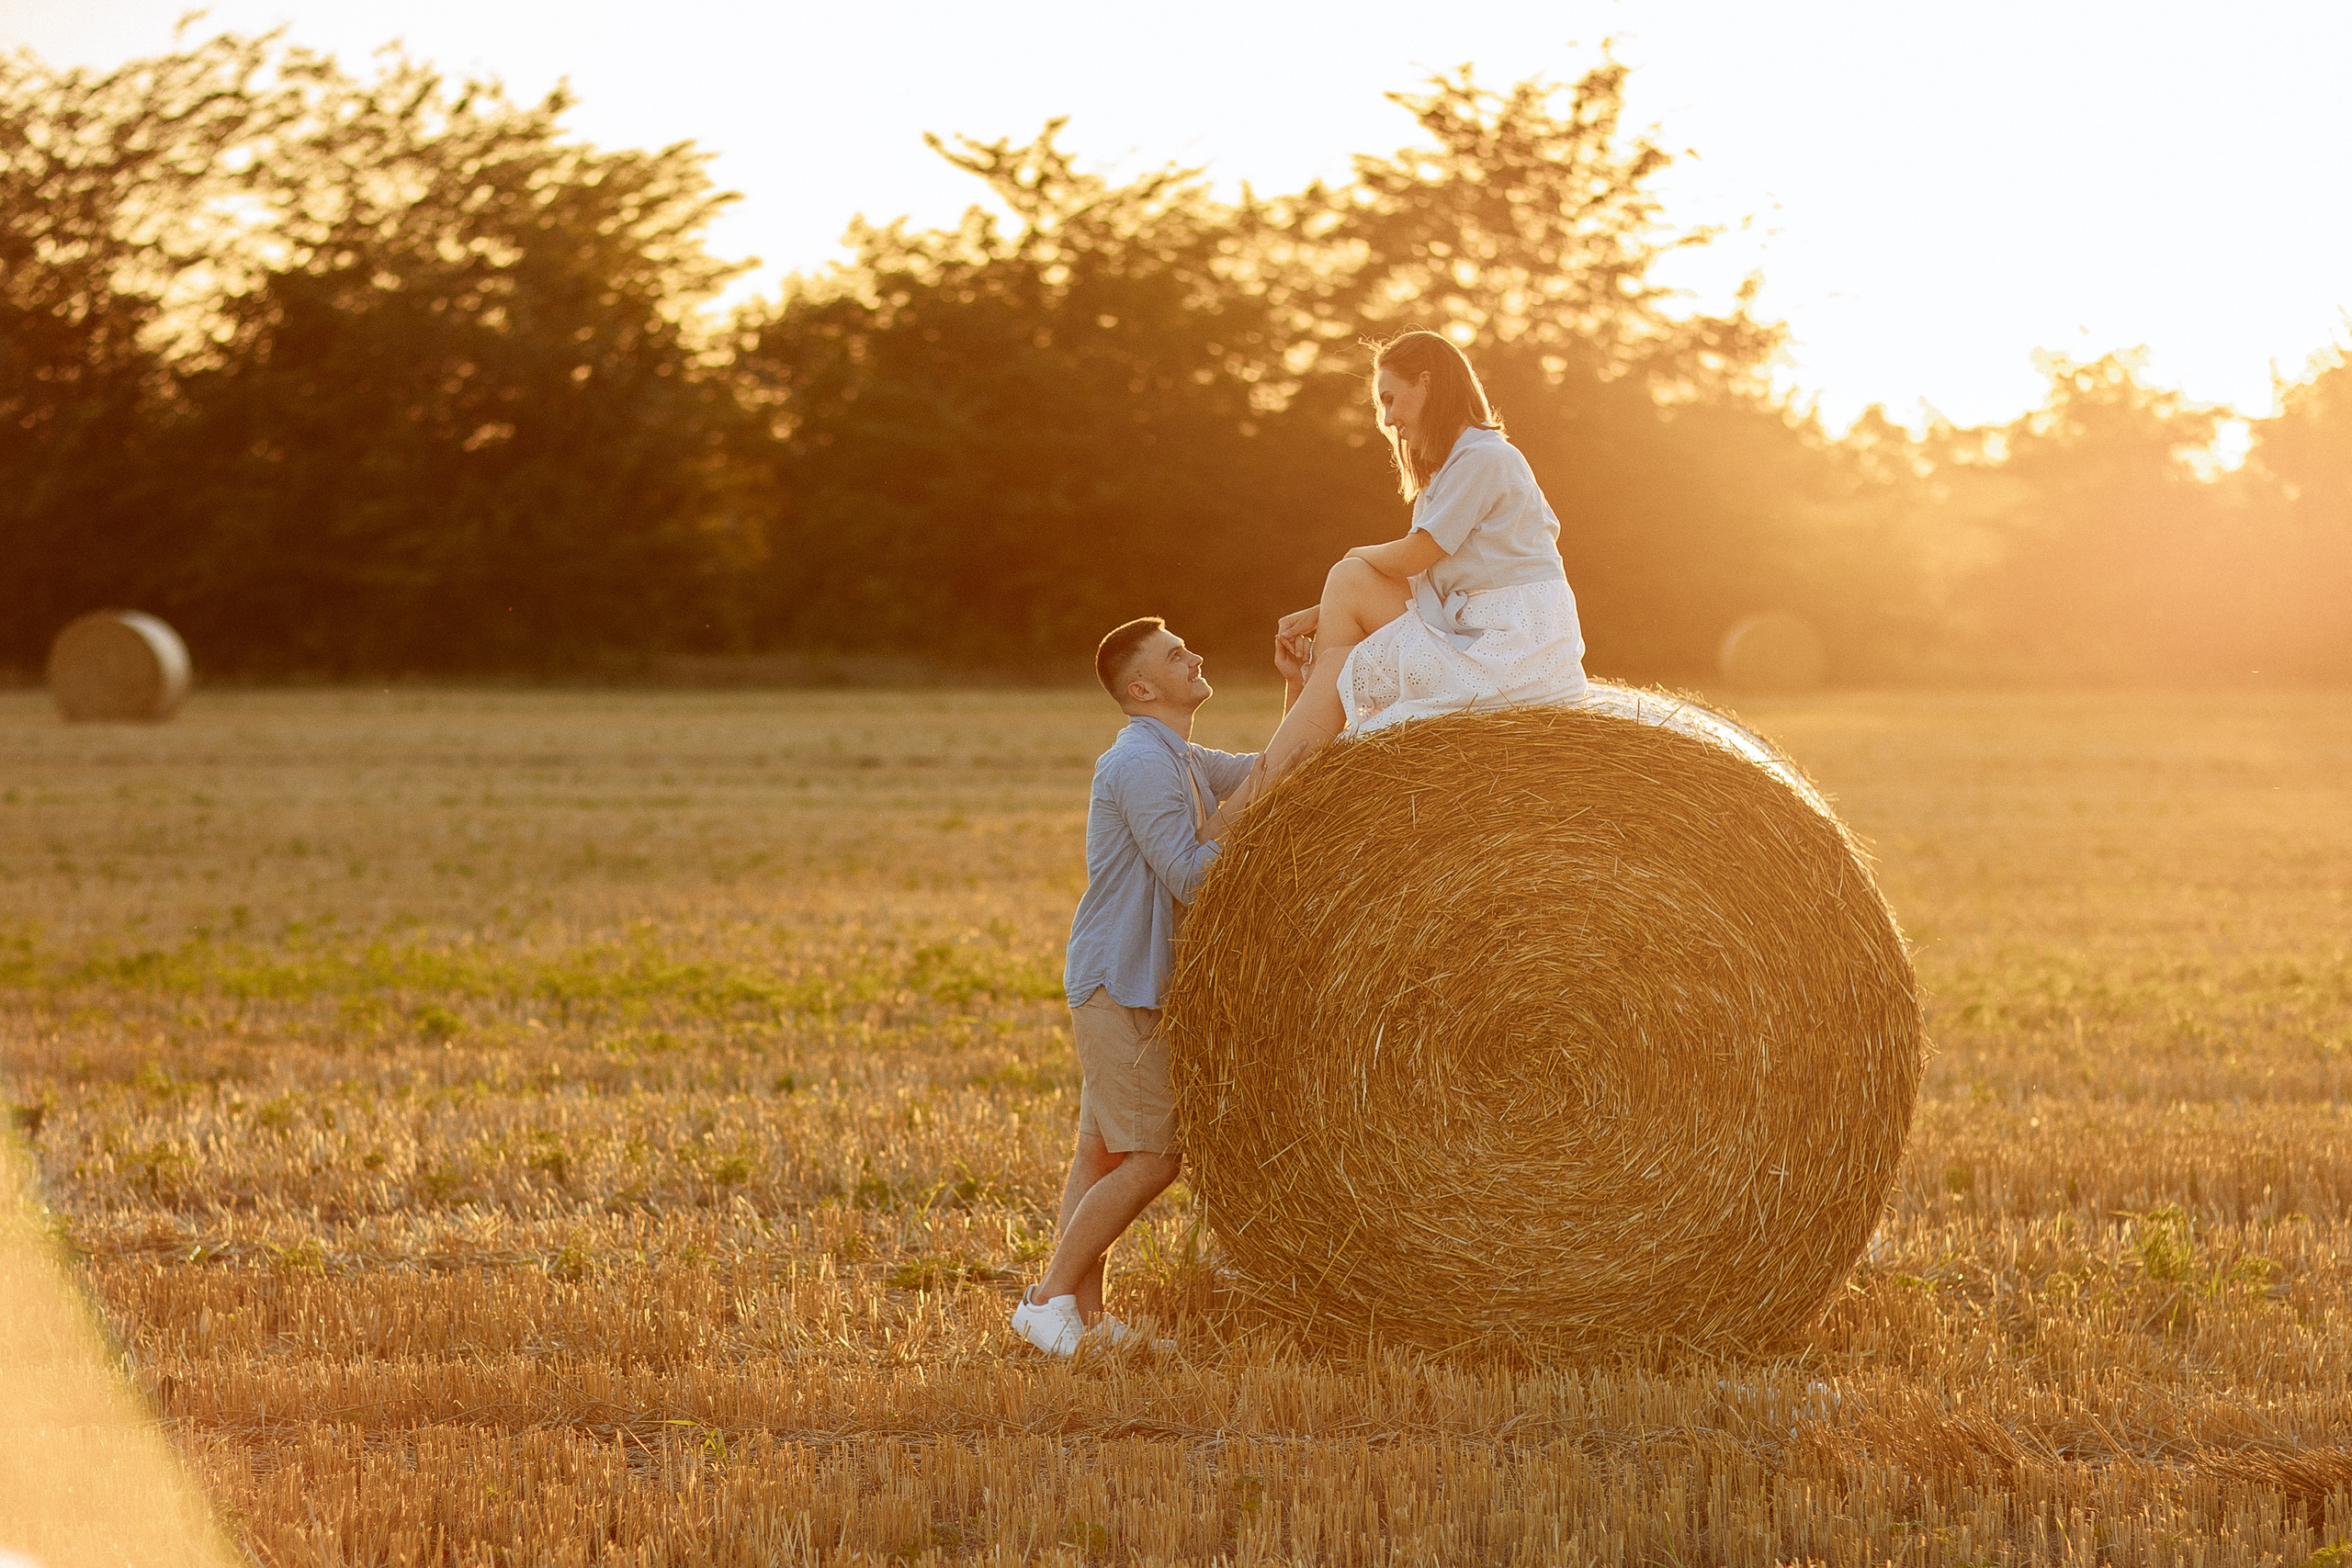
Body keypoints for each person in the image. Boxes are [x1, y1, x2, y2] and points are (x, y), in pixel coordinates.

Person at [1011, 616, 1294, 1355]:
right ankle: (1044, 1301)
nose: (1194, 654)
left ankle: (1085, 1318)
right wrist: (1235, 832)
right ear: (1141, 688)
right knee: (1154, 1156)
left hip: (1127, 976)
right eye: (1175, 655)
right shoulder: (1139, 760)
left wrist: (1301, 685)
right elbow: (1193, 874)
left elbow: (1271, 770)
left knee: (1100, 1152)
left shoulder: (1180, 754)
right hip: (1121, 978)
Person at [1249, 331, 1589, 784]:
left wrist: (1355, 553)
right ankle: (1295, 777)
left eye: (1390, 399)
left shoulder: (1486, 457)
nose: (1387, 419)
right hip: (1475, 625)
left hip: (1516, 642)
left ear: (1426, 384)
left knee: (1348, 584)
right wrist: (1325, 609)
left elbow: (1413, 557)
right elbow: (1426, 575)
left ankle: (1279, 786)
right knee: (1345, 603)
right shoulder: (1450, 468)